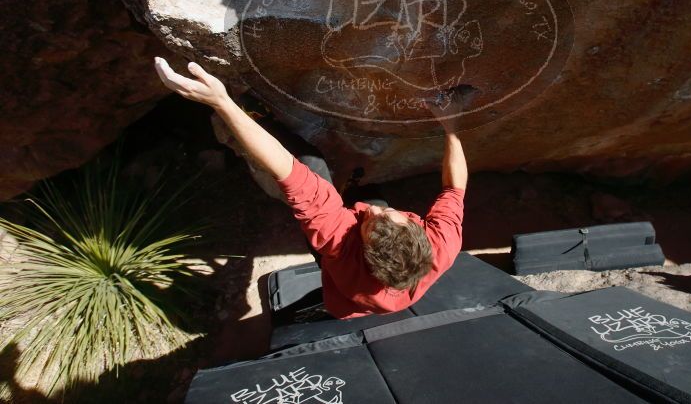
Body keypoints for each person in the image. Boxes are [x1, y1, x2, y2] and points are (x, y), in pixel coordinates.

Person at [153, 57, 468, 319]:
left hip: (343, 292)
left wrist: (222, 102)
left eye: (368, 222)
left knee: (311, 161)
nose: (372, 212)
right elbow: (454, 188)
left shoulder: (338, 244)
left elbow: (286, 170)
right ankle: (350, 189)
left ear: (361, 247)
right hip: (363, 295)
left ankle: (257, 116)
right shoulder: (442, 244)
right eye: (388, 214)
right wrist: (451, 126)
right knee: (368, 194)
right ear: (418, 232)